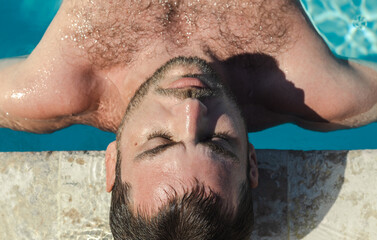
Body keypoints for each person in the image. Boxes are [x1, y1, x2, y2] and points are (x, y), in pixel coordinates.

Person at [0, 0, 376, 239]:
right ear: (251, 161)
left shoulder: (53, 86)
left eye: (160, 141)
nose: (191, 108)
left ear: (112, 162)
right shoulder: (308, 88)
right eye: (216, 142)